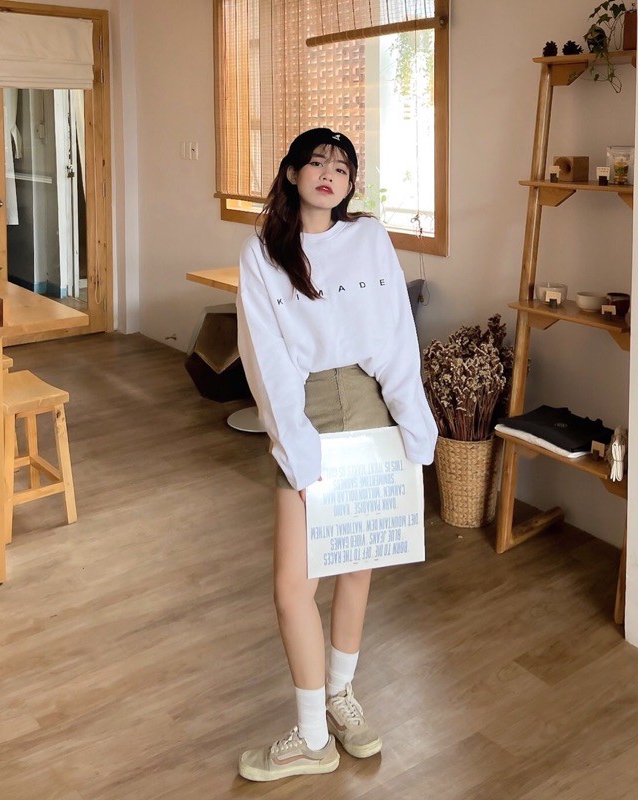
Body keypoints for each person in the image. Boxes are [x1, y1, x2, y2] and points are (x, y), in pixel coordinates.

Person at [236, 128, 437, 782]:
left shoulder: (369, 238)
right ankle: (312, 735)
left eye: (342, 167)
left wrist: (416, 425)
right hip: (307, 406)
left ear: (351, 184)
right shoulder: (263, 253)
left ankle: (339, 698)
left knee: (357, 567)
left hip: (372, 401)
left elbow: (397, 336)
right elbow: (265, 359)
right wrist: (295, 447)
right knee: (294, 586)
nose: (329, 173)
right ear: (293, 172)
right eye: (317, 162)